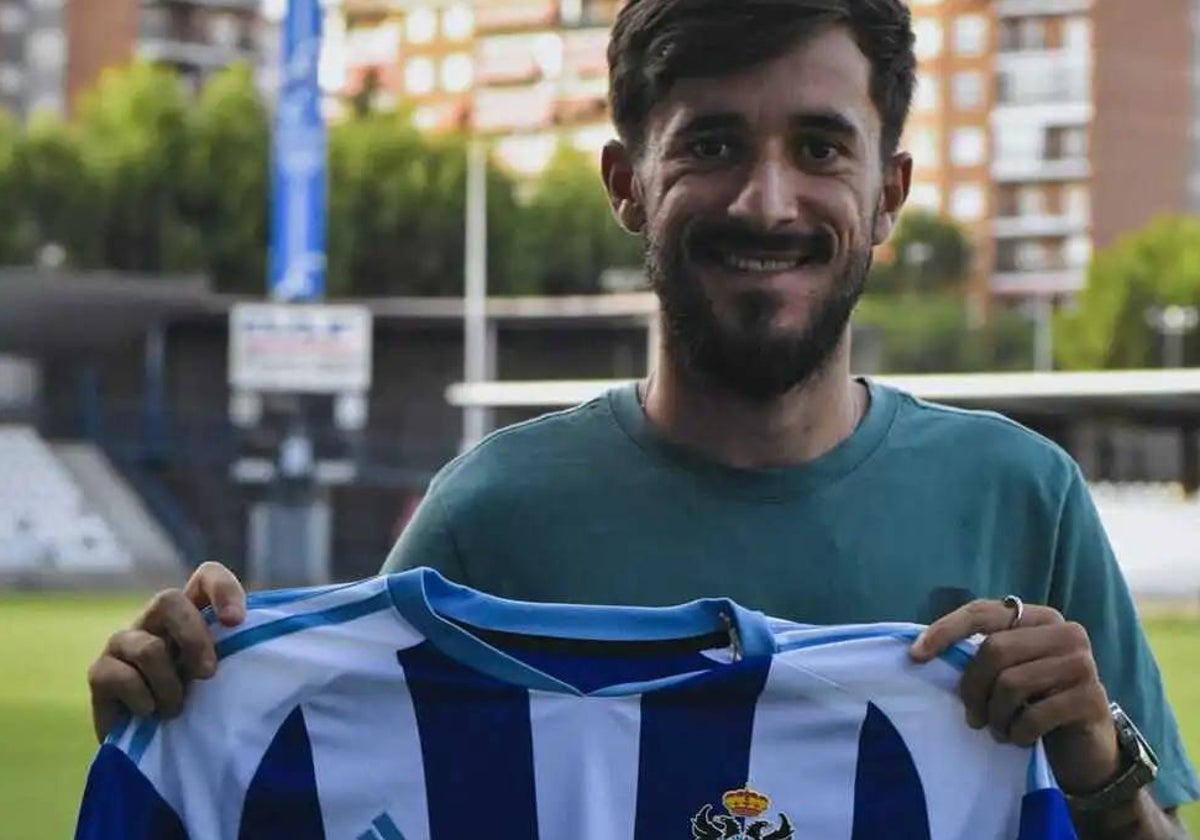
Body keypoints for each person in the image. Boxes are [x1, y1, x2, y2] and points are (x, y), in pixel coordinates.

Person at [87, 0, 1197, 837]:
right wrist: (178, 734)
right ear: (626, 183)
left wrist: (1098, 773)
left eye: (820, 148)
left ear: (889, 192)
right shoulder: (492, 517)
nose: (768, 201)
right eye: (712, 146)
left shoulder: (1023, 495)